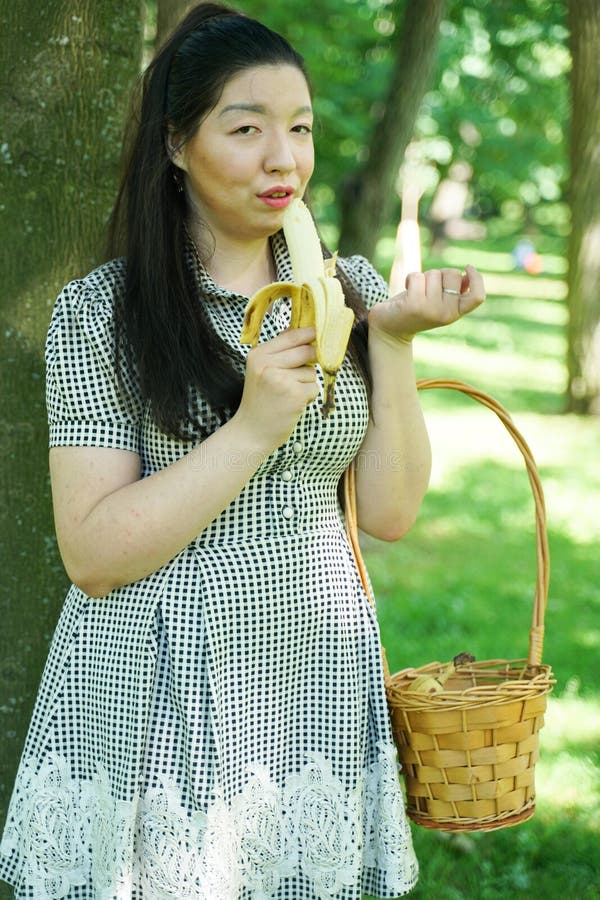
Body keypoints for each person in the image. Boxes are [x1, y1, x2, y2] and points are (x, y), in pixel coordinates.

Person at [0, 3, 485, 898]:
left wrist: (399, 342)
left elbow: (388, 513)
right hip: (167, 676)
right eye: (247, 127)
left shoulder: (347, 289)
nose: (283, 159)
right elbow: (94, 556)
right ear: (178, 144)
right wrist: (253, 426)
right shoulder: (103, 314)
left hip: (314, 663)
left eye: (298, 128)